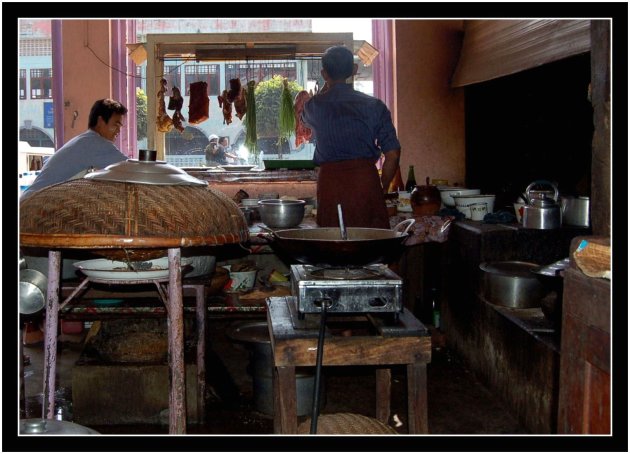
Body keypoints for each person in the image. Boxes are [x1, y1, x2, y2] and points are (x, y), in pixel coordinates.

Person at [301, 45, 401, 229]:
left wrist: (328, 83)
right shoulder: (375, 106)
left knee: (332, 246)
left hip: (330, 185)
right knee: (369, 245)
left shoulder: (314, 106)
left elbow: (304, 117)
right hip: (365, 182)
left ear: (324, 74)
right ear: (354, 70)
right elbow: (393, 154)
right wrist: (382, 187)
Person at [23, 98, 128, 195]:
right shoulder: (95, 143)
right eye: (115, 125)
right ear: (100, 121)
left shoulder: (85, 139)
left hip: (35, 200)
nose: (118, 131)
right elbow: (132, 170)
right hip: (36, 204)